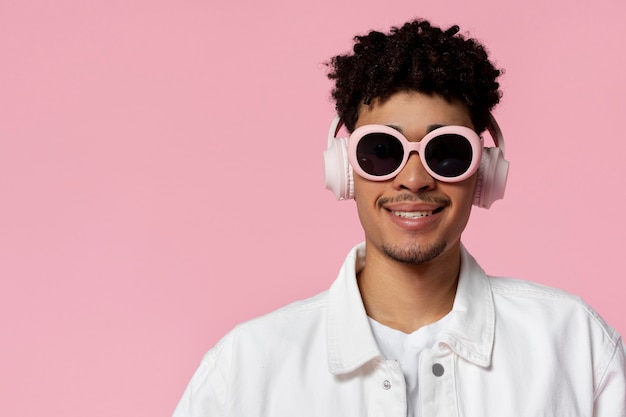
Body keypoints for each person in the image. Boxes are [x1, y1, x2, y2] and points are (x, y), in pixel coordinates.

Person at [172, 18, 626, 416]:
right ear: (344, 170)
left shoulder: (576, 349)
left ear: (485, 171)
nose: (413, 179)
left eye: (446, 152)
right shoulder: (245, 371)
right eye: (381, 152)